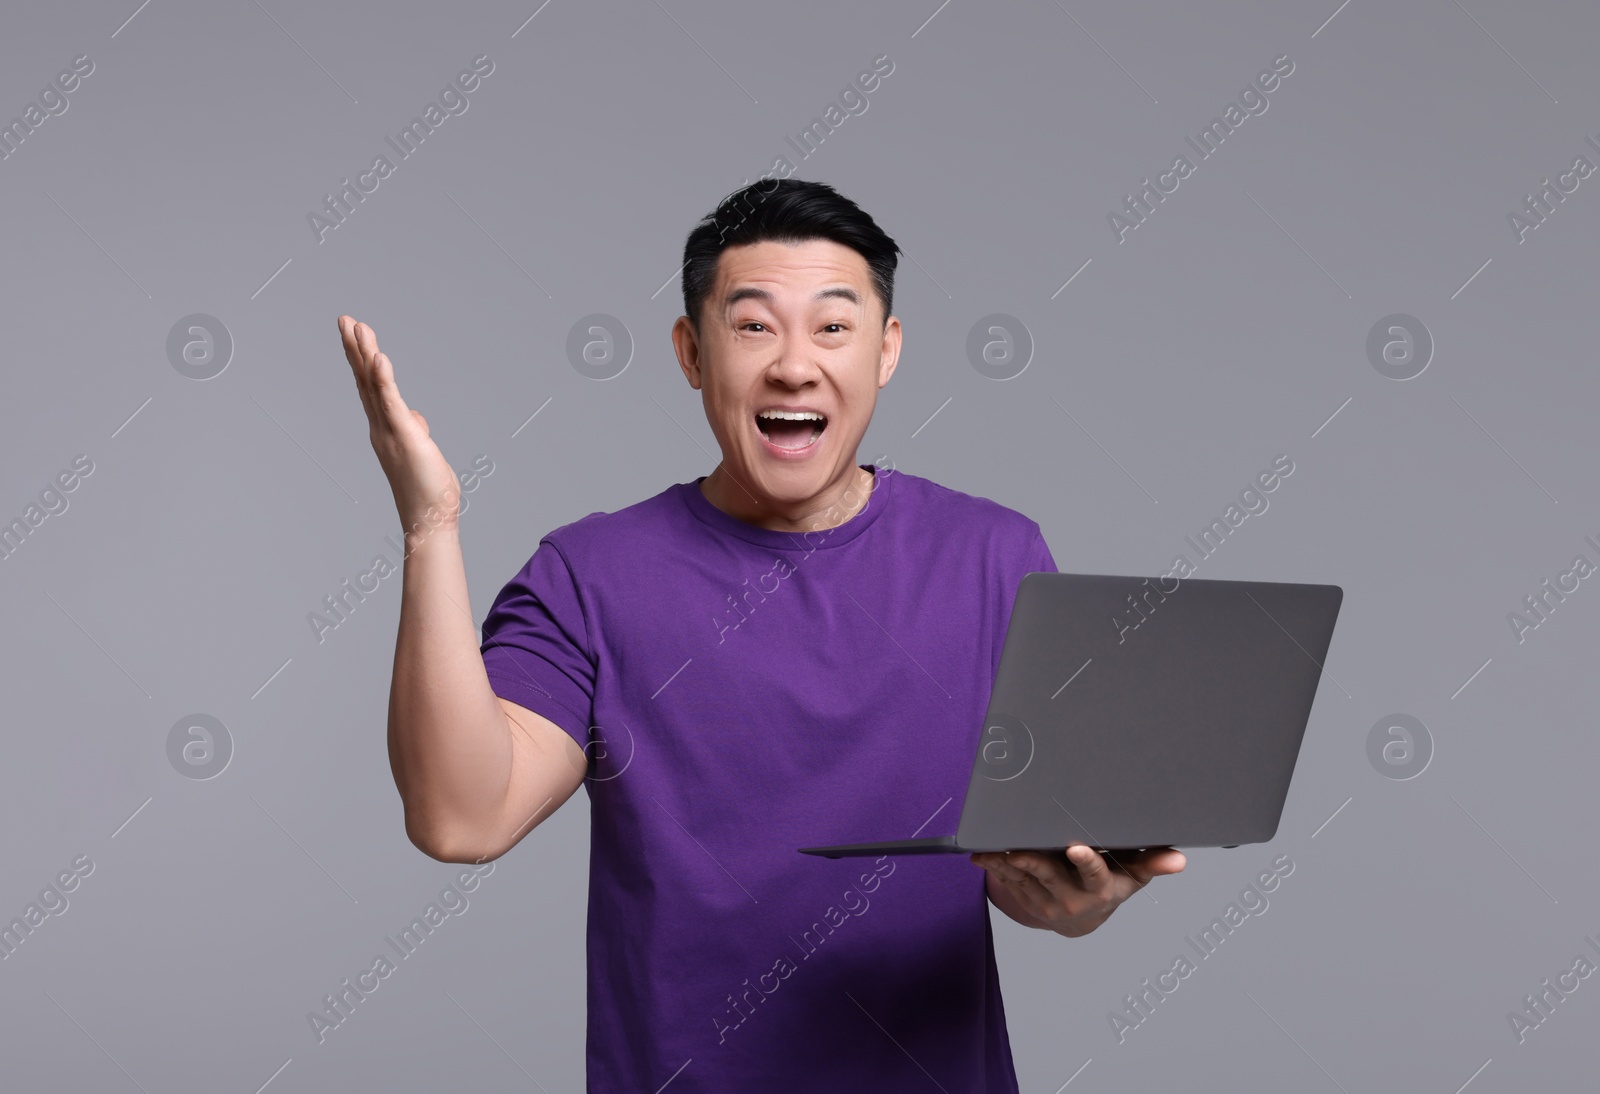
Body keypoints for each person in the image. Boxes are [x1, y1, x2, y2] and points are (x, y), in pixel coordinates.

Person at [337, 178, 1185, 1091]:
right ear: (691, 352)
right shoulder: (590, 576)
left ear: (887, 350)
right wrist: (431, 528)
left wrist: (1074, 899)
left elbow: (1037, 878)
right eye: (752, 326)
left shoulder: (995, 556)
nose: (793, 364)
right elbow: (461, 815)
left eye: (833, 326)